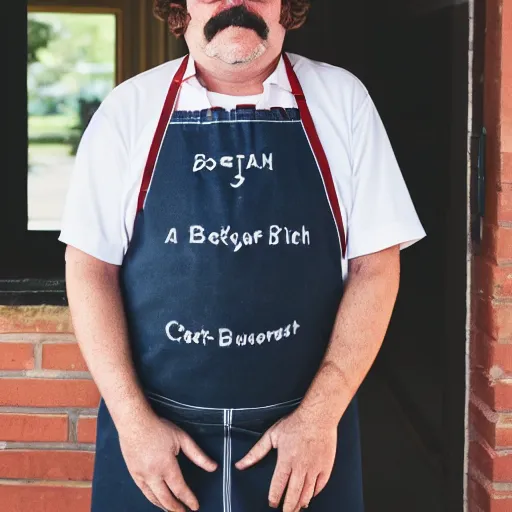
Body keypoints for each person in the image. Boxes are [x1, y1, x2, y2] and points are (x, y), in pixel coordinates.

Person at [59, 1, 426, 511]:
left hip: (302, 440)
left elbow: (376, 265)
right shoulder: (128, 109)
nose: (236, 3)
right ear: (179, 6)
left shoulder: (343, 101)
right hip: (158, 441)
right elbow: (89, 268)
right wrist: (133, 421)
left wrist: (320, 417)